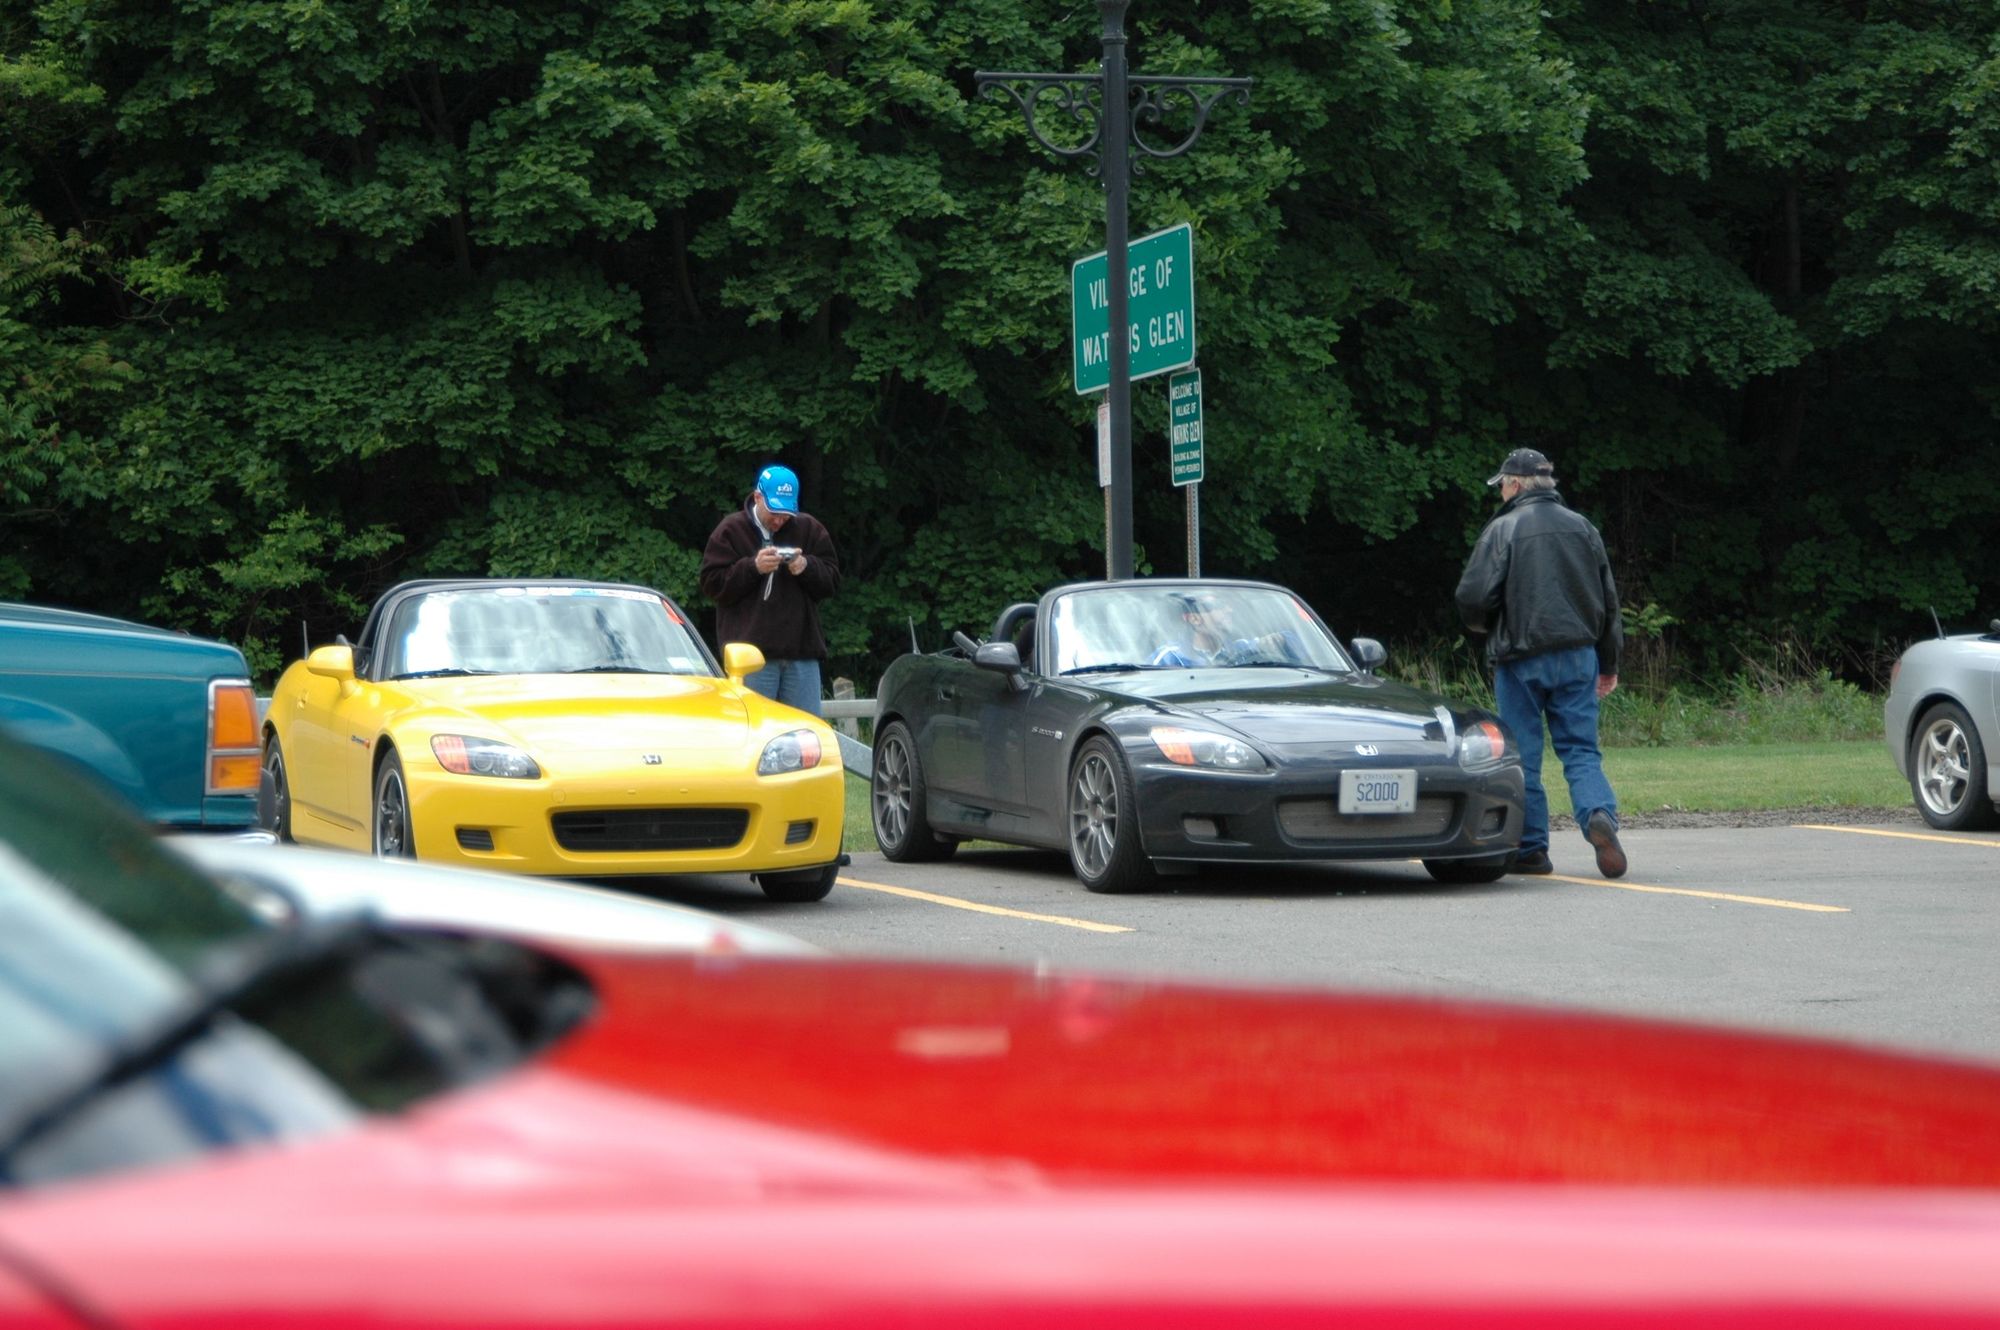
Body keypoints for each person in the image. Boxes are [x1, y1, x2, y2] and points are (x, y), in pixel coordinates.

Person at [1454, 448, 1627, 879]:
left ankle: (1531, 849)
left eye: (1502, 485)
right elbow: (1609, 603)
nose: (1501, 493)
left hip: (1521, 658)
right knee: (1581, 750)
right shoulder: (1584, 528)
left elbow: (1472, 597)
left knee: (1524, 755)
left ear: (1515, 484)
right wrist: (1608, 662)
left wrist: (1487, 627)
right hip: (1579, 655)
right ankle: (1598, 814)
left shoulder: (1503, 528)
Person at [698, 464, 841, 715]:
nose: (779, 520)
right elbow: (711, 584)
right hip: (750, 659)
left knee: (805, 729)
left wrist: (806, 566)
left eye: (785, 514)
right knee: (754, 728)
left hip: (802, 655)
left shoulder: (809, 529)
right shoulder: (730, 530)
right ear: (757, 497)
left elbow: (832, 583)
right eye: (774, 512)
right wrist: (752, 567)